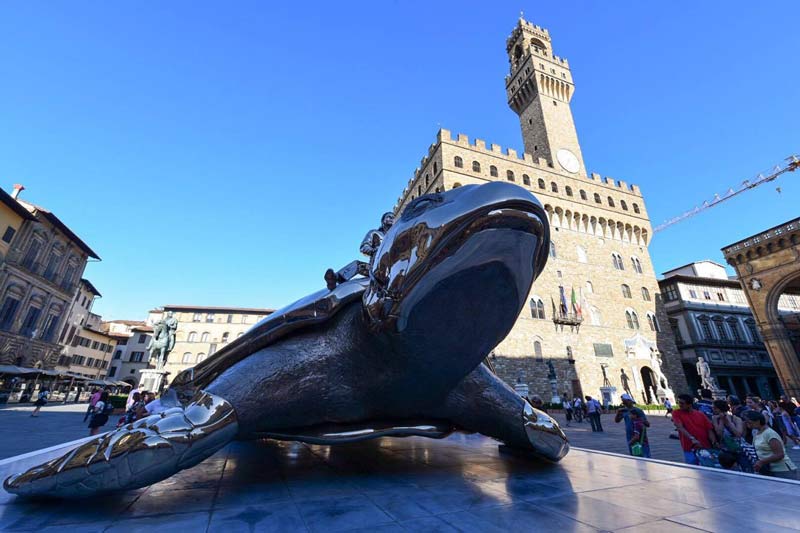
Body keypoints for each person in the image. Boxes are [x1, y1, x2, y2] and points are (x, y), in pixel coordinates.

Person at [744, 410, 798, 480]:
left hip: (782, 470)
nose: (748, 425)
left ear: (758, 421)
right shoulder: (757, 433)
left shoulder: (769, 433)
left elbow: (779, 454)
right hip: (770, 469)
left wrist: (762, 461)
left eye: (749, 422)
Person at [672, 393, 718, 465]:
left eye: (682, 403)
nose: (679, 405)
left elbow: (709, 429)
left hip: (705, 446)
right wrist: (692, 438)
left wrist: (713, 442)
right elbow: (680, 427)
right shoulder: (676, 413)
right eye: (678, 402)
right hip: (689, 447)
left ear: (689, 404)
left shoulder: (700, 414)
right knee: (693, 466)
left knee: (708, 466)